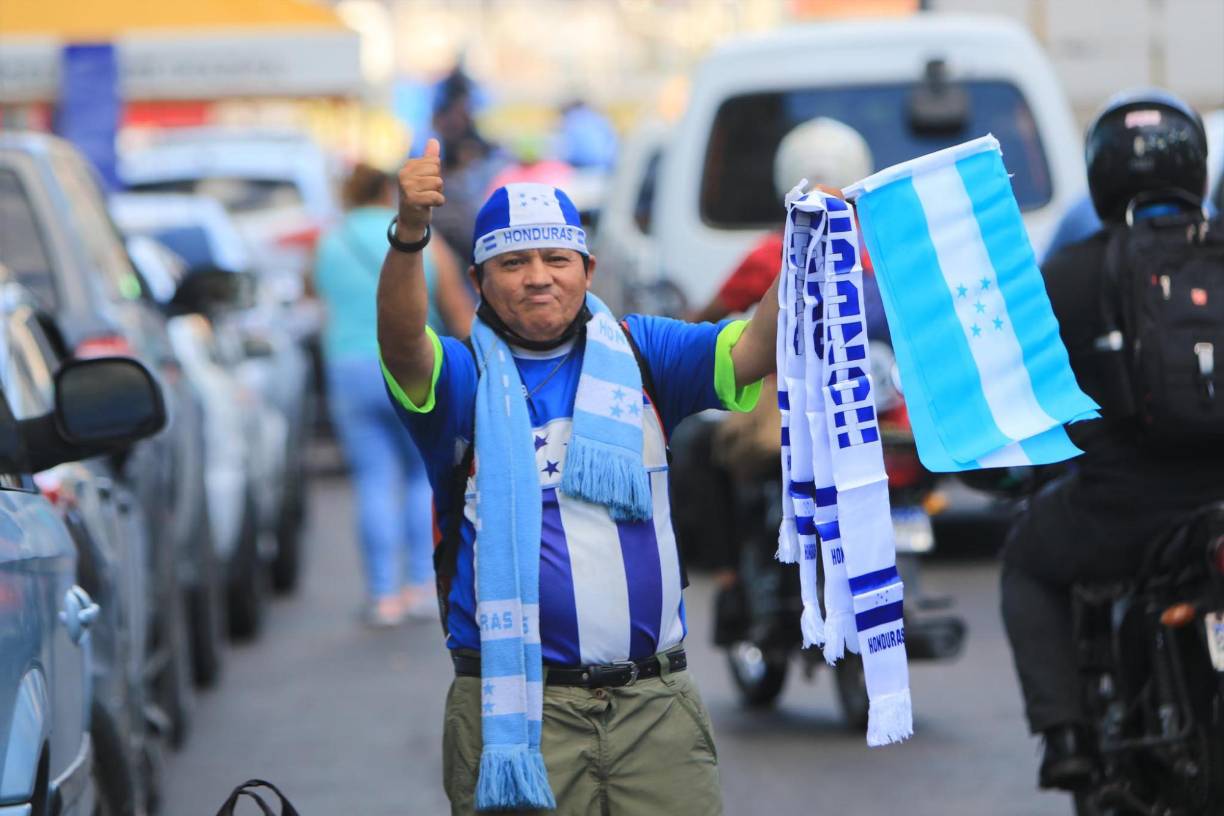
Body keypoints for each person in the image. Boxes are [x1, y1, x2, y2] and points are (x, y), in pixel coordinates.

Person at [377, 138, 798, 814]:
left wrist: (808, 244)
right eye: (513, 262)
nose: (538, 276)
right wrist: (408, 236)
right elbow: (401, 344)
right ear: (480, 280)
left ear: (588, 269)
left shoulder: (645, 353)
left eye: (555, 258)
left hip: (653, 707)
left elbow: (755, 347)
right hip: (514, 710)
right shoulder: (463, 380)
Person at [999, 89, 1224, 790]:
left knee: (1026, 566)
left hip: (1125, 507)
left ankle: (1065, 736)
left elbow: (1019, 396)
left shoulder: (1067, 275)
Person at [313, 163, 471, 627]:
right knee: (420, 478)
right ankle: (423, 585)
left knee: (372, 480)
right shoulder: (419, 239)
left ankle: (383, 595)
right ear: (389, 191)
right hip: (412, 368)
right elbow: (456, 308)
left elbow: (315, 295)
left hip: (347, 367)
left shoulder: (328, 242)